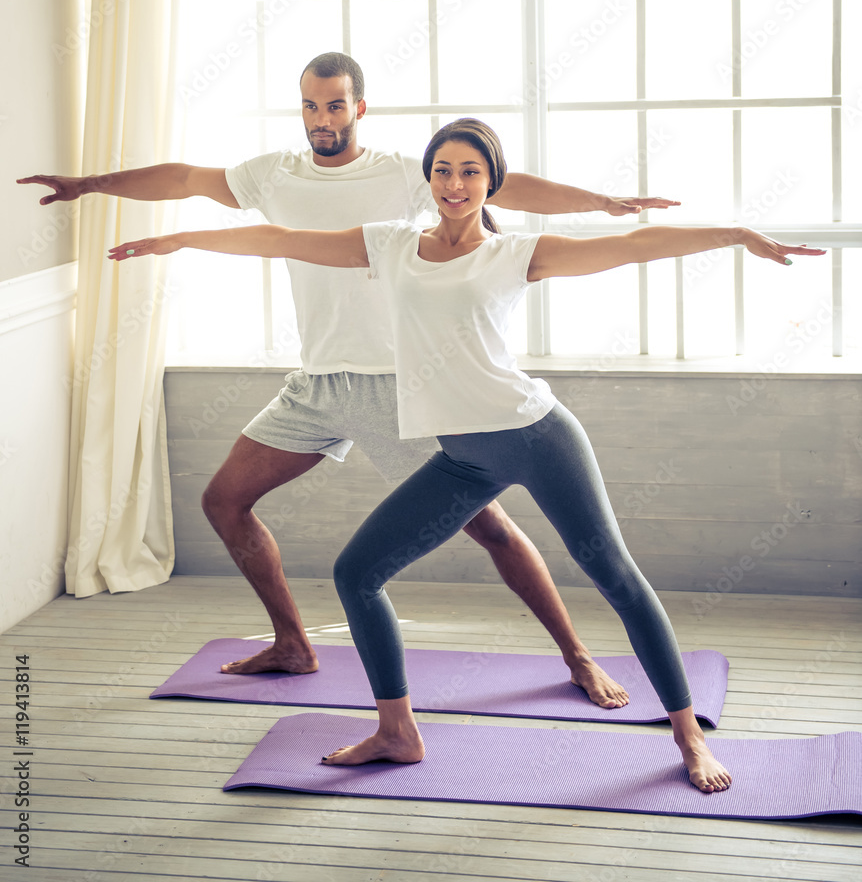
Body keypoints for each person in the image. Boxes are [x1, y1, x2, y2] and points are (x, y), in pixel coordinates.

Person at [106, 118, 825, 791]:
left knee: (615, 576)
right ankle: (397, 732)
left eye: (471, 172)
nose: (455, 184)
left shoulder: (516, 253)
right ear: (428, 179)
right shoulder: (391, 245)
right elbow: (281, 239)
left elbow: (636, 246)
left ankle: (687, 736)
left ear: (491, 182)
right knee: (358, 573)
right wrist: (181, 240)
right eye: (444, 170)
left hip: (537, 437)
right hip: (464, 459)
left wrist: (735, 233)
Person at [18, 53, 681, 706]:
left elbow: (506, 184)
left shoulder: (406, 174)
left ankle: (576, 655)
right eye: (311, 105)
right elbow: (187, 178)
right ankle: (291, 643)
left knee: (491, 530)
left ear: (358, 107)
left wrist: (601, 202)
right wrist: (91, 184)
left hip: (394, 385)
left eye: (336, 105)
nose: (323, 118)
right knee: (223, 500)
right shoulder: (272, 173)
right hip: (317, 383)